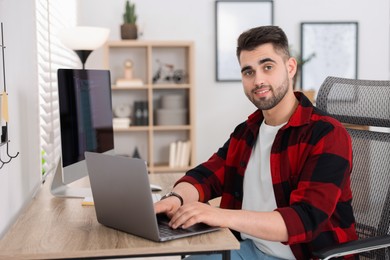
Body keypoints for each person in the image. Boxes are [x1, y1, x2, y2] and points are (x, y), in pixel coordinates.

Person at [154, 25, 357, 260]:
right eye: (248, 72)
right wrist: (175, 199)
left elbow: (304, 220)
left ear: (290, 67)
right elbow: (206, 176)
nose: (258, 80)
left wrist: (220, 215)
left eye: (267, 67)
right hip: (252, 248)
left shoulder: (327, 134)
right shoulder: (248, 131)